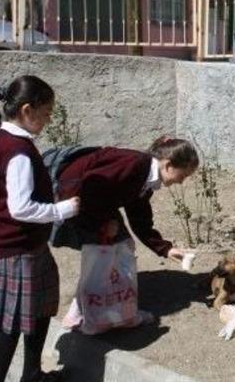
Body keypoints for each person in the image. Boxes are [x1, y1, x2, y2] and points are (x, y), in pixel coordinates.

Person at [0, 75, 79, 382]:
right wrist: (62, 210)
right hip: (19, 248)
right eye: (47, 112)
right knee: (11, 324)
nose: (49, 119)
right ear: (27, 110)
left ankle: (32, 374)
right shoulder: (18, 152)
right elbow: (20, 207)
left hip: (30, 244)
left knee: (40, 308)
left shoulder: (13, 141)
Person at [55, 136, 198, 331]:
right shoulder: (133, 166)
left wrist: (165, 249)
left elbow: (139, 218)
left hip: (92, 203)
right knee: (101, 252)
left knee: (119, 246)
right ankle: (85, 314)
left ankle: (96, 312)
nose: (181, 182)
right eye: (183, 175)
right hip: (74, 198)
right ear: (168, 165)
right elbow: (90, 187)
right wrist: (103, 224)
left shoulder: (145, 178)